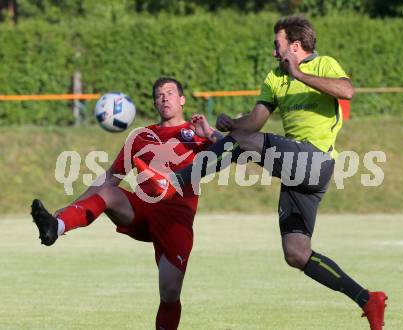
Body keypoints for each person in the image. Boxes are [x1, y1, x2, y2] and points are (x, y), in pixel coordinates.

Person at [142, 16, 388, 330]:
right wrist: (228, 126)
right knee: (296, 252)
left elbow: (347, 91)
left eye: (278, 44)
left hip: (316, 162)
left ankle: (176, 180)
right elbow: (253, 124)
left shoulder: (324, 64)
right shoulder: (275, 77)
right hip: (295, 172)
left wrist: (297, 73)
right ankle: (368, 299)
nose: (274, 52)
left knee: (242, 145)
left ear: (295, 46)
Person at [31, 77, 222, 330]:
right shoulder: (141, 136)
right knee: (109, 193)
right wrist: (68, 210)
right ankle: (57, 226)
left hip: (177, 219)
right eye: (159, 94)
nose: (164, 97)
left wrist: (209, 133)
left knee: (170, 293)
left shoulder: (195, 134)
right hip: (141, 210)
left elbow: (237, 150)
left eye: (170, 93)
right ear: (155, 102)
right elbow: (110, 178)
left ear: (182, 99)